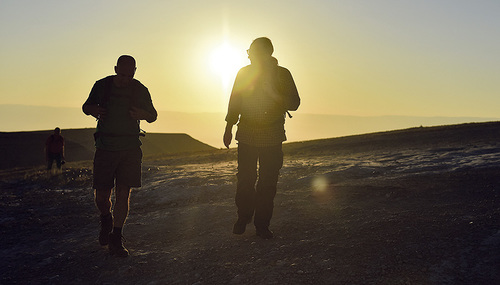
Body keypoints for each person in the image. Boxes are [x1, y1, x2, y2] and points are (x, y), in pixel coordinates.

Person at [223, 37, 300, 239]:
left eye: (252, 52)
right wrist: (228, 127)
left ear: (266, 54)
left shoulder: (282, 74)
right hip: (247, 134)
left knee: (268, 183)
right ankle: (244, 216)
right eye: (249, 52)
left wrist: (274, 94)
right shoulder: (244, 73)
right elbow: (235, 101)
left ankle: (262, 225)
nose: (249, 55)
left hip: (273, 136)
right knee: (246, 181)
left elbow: (295, 103)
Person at [82, 55, 157, 257]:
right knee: (101, 197)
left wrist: (143, 114)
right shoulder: (102, 86)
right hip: (105, 147)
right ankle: (106, 217)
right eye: (122, 74)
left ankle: (116, 236)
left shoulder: (140, 89)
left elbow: (153, 115)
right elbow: (85, 107)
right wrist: (95, 110)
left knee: (123, 193)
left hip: (130, 147)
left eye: (129, 74)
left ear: (135, 71)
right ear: (116, 69)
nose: (125, 78)